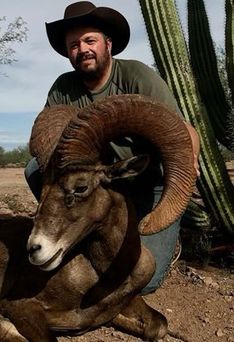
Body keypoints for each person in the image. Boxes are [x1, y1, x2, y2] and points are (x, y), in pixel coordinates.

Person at [26, 1, 200, 294]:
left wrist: (187, 162)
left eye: (89, 40)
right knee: (35, 168)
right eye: (73, 44)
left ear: (108, 44)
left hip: (146, 183)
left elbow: (181, 131)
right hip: (99, 188)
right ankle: (83, 229)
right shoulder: (63, 89)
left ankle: (166, 238)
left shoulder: (136, 77)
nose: (82, 49)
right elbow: (49, 146)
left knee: (142, 281)